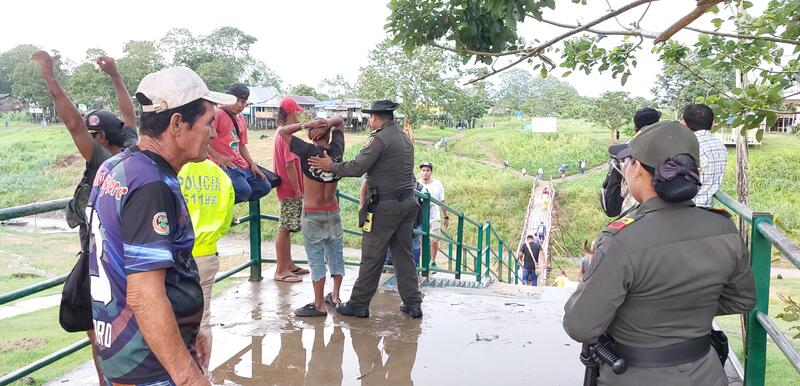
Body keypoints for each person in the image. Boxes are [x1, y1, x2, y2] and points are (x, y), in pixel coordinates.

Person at [563, 121, 756, 386]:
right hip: (707, 373)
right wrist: (686, 306)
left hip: (633, 375)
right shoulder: (723, 227)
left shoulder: (621, 240)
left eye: (627, 161)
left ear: (638, 169)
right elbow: (741, 300)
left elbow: (580, 325)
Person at [86, 66, 235, 386]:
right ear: (177, 124)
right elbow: (145, 295)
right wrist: (187, 375)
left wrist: (187, 334)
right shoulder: (152, 185)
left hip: (124, 350)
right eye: (208, 123)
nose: (214, 134)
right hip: (150, 364)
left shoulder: (117, 166)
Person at [32, 50, 138, 385]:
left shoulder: (101, 161)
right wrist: (116, 76)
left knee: (100, 336)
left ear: (101, 138)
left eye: (92, 136)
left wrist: (49, 76)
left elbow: (73, 122)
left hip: (102, 261)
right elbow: (128, 115)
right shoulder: (134, 150)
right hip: (132, 256)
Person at [309, 99, 422, 319]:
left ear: (377, 118)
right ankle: (413, 304)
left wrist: (329, 165)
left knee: (372, 257)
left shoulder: (379, 139)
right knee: (403, 256)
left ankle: (358, 304)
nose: (369, 120)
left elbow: (358, 166)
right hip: (407, 204)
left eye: (370, 116)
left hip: (385, 207)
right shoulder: (404, 138)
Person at [277, 115, 347, 317]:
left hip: (313, 214)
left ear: (313, 133)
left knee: (316, 260)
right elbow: (340, 121)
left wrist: (306, 124)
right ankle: (334, 296)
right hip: (333, 211)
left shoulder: (307, 151)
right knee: (336, 256)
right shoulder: (336, 150)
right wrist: (327, 123)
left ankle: (318, 305)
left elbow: (282, 132)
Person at [177, 159, 235, 374]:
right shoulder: (220, 174)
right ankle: (203, 372)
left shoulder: (175, 170)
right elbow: (226, 219)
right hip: (207, 253)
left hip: (177, 257)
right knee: (203, 319)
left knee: (171, 320)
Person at [208, 83, 270, 203]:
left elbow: (241, 145)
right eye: (237, 100)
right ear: (228, 98)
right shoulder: (217, 114)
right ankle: (219, 207)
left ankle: (226, 202)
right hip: (221, 163)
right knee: (243, 190)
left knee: (264, 187)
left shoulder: (241, 118)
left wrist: (252, 164)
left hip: (238, 163)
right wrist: (219, 157)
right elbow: (203, 141)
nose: (240, 105)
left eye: (243, 101)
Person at [273, 97, 311, 283]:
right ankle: (281, 269)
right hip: (289, 188)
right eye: (296, 112)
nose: (297, 116)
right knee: (285, 228)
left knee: (287, 227)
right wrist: (297, 188)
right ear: (290, 113)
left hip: (287, 188)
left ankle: (288, 264)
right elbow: (289, 164)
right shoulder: (285, 136)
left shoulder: (280, 133)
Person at [600, 107, 661, 218]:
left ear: (635, 128)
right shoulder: (669, 151)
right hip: (662, 213)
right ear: (658, 126)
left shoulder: (621, 153)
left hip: (629, 215)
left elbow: (611, 202)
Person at [682, 104, 727, 208]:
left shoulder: (687, 145)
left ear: (684, 123)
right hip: (706, 208)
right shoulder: (720, 146)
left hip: (684, 208)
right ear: (712, 124)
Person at [418, 161, 448, 267]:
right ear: (420, 171)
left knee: (434, 240)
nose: (425, 173)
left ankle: (433, 261)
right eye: (423, 170)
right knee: (421, 242)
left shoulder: (437, 184)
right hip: (421, 217)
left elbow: (442, 201)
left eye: (428, 170)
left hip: (434, 217)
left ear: (431, 172)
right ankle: (423, 263)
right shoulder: (417, 184)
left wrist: (446, 216)